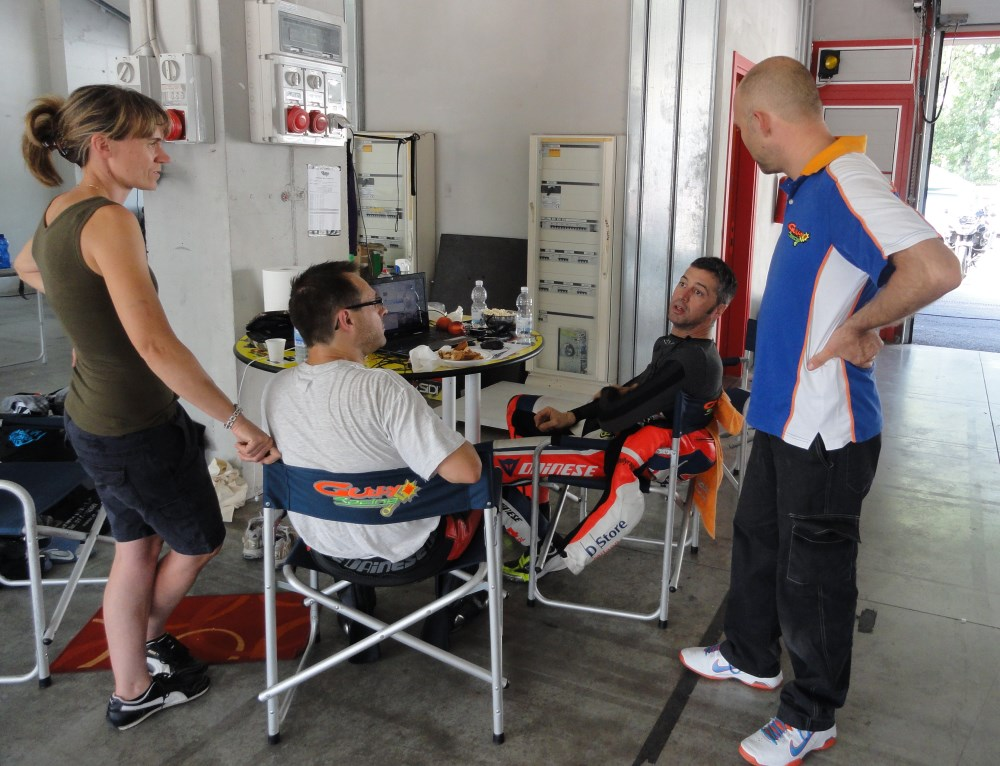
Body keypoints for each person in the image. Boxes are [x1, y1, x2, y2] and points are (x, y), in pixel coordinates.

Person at [678, 57, 962, 766]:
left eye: (742, 127)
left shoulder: (847, 181)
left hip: (828, 431)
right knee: (759, 543)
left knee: (814, 579)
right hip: (783, 415)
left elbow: (935, 268)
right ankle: (751, 654)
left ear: (762, 121)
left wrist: (862, 324)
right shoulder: (809, 186)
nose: (745, 139)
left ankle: (812, 716)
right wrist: (864, 315)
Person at [16, 85, 280, 731]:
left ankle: (134, 669)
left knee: (137, 547)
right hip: (134, 427)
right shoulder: (110, 221)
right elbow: (156, 344)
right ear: (104, 146)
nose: (163, 156)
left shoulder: (61, 210)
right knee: (199, 539)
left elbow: (29, 267)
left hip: (96, 419)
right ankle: (136, 674)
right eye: (153, 142)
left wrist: (88, 330)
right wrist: (237, 420)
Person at [262, 261, 484, 656]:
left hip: (323, 549)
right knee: (485, 487)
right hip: (411, 554)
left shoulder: (276, 389)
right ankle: (447, 612)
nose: (383, 310)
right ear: (345, 319)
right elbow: (466, 471)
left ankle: (354, 611)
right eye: (374, 302)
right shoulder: (384, 388)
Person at [499, 256, 737, 578]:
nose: (681, 296)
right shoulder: (674, 345)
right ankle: (538, 530)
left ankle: (545, 554)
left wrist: (612, 395)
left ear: (718, 310)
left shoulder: (692, 361)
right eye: (683, 283)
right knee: (520, 407)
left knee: (488, 466)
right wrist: (572, 414)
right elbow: (631, 392)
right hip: (621, 434)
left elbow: (616, 413)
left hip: (623, 452)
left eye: (698, 292)